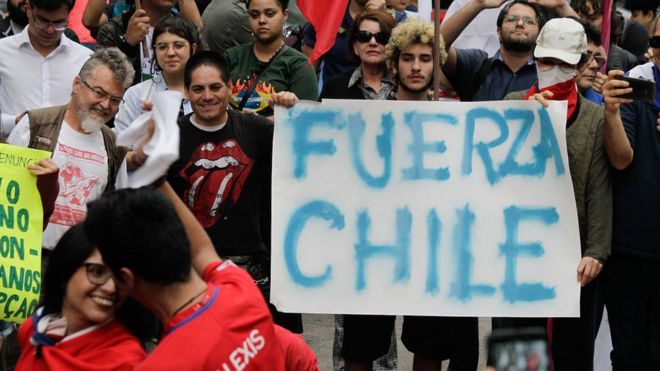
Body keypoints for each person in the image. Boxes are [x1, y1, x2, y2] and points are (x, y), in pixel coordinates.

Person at [83, 181, 318, 369]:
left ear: (125, 278)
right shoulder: (239, 288)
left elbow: (201, 250)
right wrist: (157, 178)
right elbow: (202, 249)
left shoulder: (163, 364)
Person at [507, 17, 612, 371]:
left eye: (564, 63)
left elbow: (599, 187)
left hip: (575, 257)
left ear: (582, 64)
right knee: (518, 358)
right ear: (535, 58)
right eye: (546, 61)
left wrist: (596, 250)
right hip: (517, 254)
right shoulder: (512, 103)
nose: (553, 70)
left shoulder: (595, 118)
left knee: (572, 354)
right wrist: (525, 119)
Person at [7, 47, 134, 251]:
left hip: (80, 264)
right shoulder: (35, 125)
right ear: (77, 84)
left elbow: (116, 213)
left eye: (115, 100)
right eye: (99, 93)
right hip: (27, 257)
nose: (105, 105)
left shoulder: (115, 146)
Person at [599, 14, 660, 371]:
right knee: (629, 355)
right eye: (657, 42)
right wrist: (610, 113)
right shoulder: (636, 87)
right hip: (631, 252)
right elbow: (621, 160)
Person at [15, 224, 148, 371]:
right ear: (65, 269)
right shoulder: (34, 329)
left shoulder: (126, 361)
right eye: (97, 272)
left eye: (119, 277)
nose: (111, 288)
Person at [440, 0, 577, 102]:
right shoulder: (476, 65)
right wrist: (478, 4)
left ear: (539, 35)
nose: (520, 24)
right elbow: (436, 45)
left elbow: (587, 51)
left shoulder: (551, 72)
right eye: (511, 19)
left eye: (529, 21)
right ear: (498, 31)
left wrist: (562, 7)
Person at [0, 0, 91, 139]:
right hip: (11, 155)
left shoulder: (85, 58)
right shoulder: (2, 52)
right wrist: (13, 122)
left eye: (59, 23)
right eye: (42, 21)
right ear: (28, 9)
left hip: (66, 157)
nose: (50, 30)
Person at [224, 0, 317, 118]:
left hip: (274, 135)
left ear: (285, 15)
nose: (262, 20)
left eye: (270, 14)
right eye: (254, 15)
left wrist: (258, 122)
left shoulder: (300, 64)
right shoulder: (232, 56)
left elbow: (305, 119)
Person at [114, 15, 198, 133]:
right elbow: (120, 143)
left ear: (193, 49)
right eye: (162, 47)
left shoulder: (207, 92)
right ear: (155, 51)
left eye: (178, 46)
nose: (170, 53)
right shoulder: (137, 95)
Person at [95, 0, 202, 85]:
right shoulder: (114, 31)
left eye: (178, 46)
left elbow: (204, 72)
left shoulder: (187, 30)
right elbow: (103, 82)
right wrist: (128, 45)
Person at [302, 0, 406, 85]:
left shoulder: (398, 19)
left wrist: (382, 17)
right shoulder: (327, 16)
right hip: (335, 99)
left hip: (383, 101)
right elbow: (307, 72)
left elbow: (403, 68)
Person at [320, 10, 396, 100]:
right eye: (364, 36)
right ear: (355, 47)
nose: (373, 43)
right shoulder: (334, 86)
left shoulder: (406, 85)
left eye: (382, 37)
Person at [578, 22, 607, 105]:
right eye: (586, 57)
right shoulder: (539, 96)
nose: (594, 65)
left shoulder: (603, 104)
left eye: (597, 59)